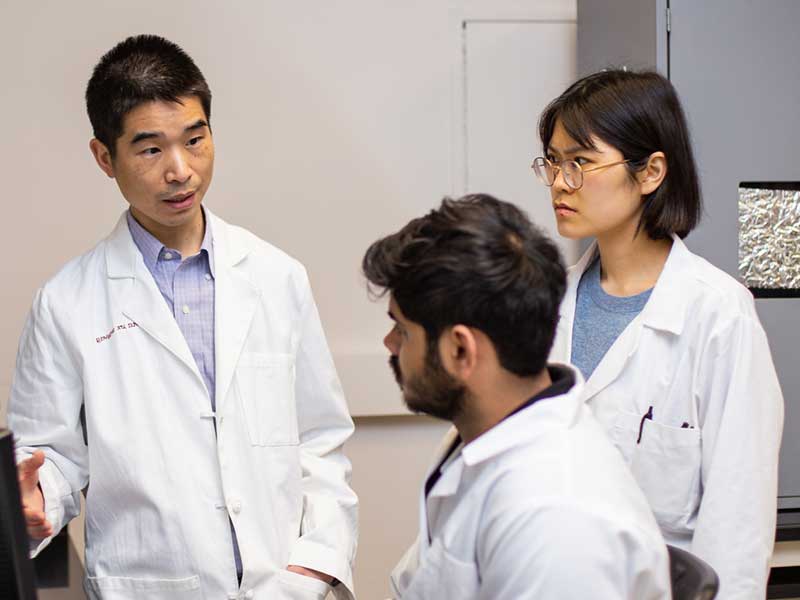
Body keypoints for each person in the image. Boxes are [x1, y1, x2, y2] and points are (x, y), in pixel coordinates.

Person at [9, 34, 358, 600]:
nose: (181, 170)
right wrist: (33, 501)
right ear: (105, 157)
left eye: (195, 140)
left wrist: (310, 571)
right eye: (150, 150)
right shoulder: (66, 302)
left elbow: (319, 441)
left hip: (285, 589)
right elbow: (52, 459)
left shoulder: (277, 277)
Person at [534, 69, 784, 598]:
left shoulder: (718, 315)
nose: (560, 181)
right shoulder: (542, 303)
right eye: (554, 162)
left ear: (650, 172)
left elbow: (737, 523)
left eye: (580, 162)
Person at [363, 194, 670, 599]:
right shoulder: (486, 436)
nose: (389, 344)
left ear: (460, 350)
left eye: (402, 330)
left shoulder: (556, 519)